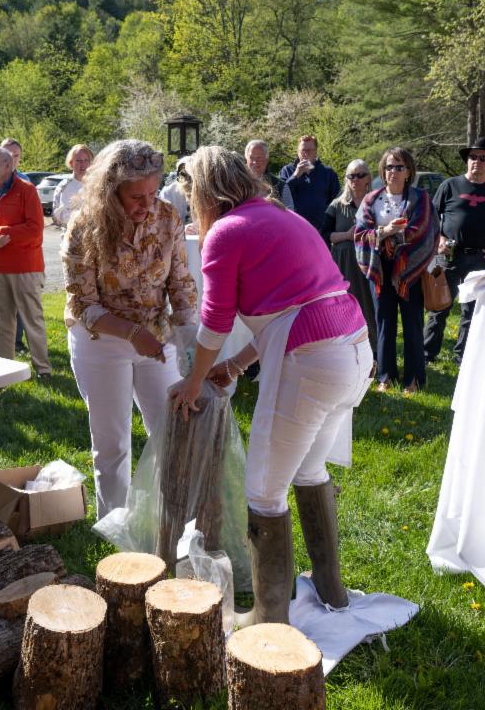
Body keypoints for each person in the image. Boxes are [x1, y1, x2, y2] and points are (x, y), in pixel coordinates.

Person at [171, 145, 371, 624]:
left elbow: (215, 321)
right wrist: (237, 365)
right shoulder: (285, 216)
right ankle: (331, 589)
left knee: (263, 491)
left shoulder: (226, 230)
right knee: (309, 469)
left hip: (311, 359)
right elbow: (288, 305)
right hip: (353, 348)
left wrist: (193, 383)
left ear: (203, 192)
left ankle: (268, 618)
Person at [62, 140, 198, 517]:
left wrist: (189, 340)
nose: (147, 204)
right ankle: (115, 524)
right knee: (112, 442)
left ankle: (172, 518)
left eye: (153, 193)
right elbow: (82, 303)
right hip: (100, 341)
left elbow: (181, 284)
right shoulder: (84, 226)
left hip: (156, 337)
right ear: (110, 192)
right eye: (136, 197)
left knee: (170, 432)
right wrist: (132, 333)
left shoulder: (168, 217)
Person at [355, 146, 438, 394]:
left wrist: (394, 235)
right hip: (380, 268)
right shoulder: (371, 200)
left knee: (412, 323)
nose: (393, 171)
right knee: (384, 323)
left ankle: (413, 379)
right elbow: (360, 234)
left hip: (410, 269)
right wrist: (385, 232)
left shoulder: (420, 198)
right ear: (383, 170)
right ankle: (385, 376)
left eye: (399, 167)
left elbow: (423, 230)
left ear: (408, 171)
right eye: (389, 166)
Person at [422, 138, 485, 364]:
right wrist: (439, 239)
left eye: (482, 158)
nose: (476, 161)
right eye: (472, 157)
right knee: (439, 305)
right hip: (448, 255)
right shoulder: (450, 185)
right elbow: (431, 217)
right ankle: (427, 354)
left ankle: (463, 356)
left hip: (480, 258)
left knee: (472, 309)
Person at [0, 146, 51, 376]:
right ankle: (3, 371)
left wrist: (4, 233)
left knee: (32, 320)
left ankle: (43, 370)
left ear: (8, 166)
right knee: (2, 322)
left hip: (25, 268)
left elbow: (35, 229)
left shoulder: (27, 190)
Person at [322, 158, 378, 356]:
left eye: (360, 175)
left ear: (368, 178)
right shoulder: (337, 205)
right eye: (351, 176)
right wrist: (347, 235)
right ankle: (345, 352)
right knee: (345, 308)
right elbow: (324, 234)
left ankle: (373, 352)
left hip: (371, 264)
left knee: (370, 307)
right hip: (344, 265)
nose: (355, 179)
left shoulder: (376, 203)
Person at [274, 134, 340, 229]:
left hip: (321, 228)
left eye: (309, 150)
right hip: (294, 226)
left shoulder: (328, 173)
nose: (306, 154)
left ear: (315, 151)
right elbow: (279, 196)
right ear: (298, 152)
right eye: (303, 150)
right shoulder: (287, 171)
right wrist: (295, 176)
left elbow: (336, 201)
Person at [52, 144, 92, 228]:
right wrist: (80, 216)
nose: (83, 164)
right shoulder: (64, 186)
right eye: (78, 160)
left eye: (86, 160)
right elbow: (57, 217)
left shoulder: (96, 185)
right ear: (71, 163)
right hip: (70, 234)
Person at [158, 156, 192, 226]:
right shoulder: (168, 192)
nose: (188, 179)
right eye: (184, 174)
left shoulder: (202, 190)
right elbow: (164, 222)